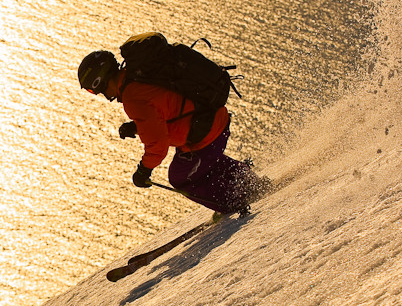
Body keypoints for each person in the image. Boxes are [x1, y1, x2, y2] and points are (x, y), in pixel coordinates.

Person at [78, 47, 269, 215]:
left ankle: (235, 201)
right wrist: (136, 126)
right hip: (213, 119)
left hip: (207, 134)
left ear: (99, 81)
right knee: (199, 164)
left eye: (93, 91)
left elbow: (158, 145)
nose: (99, 95)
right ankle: (248, 181)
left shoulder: (133, 97)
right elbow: (167, 107)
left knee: (180, 176)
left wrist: (143, 171)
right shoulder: (137, 76)